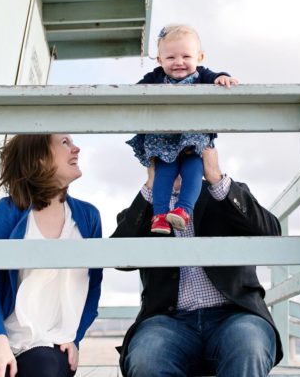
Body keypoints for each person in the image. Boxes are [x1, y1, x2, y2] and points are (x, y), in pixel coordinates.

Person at [111, 147, 283, 377]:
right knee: (146, 359)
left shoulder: (225, 194)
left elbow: (272, 235)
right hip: (167, 321)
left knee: (249, 346)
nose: (176, 157)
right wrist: (151, 187)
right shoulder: (144, 207)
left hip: (234, 314)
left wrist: (216, 178)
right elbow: (119, 259)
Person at [0, 134, 103, 377]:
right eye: (65, 143)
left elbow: (93, 289)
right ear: (39, 159)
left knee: (44, 369)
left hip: (49, 340)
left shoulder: (88, 217)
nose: (76, 148)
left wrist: (74, 337)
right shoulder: (7, 211)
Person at [126, 24, 239, 235]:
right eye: (170, 58)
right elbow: (137, 91)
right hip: (164, 141)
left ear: (200, 57)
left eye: (186, 56)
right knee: (163, 174)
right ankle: (160, 215)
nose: (179, 62)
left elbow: (216, 76)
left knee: (193, 169)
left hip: (193, 138)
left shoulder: (202, 75)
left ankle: (183, 210)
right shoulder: (155, 77)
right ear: (160, 60)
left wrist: (223, 77)